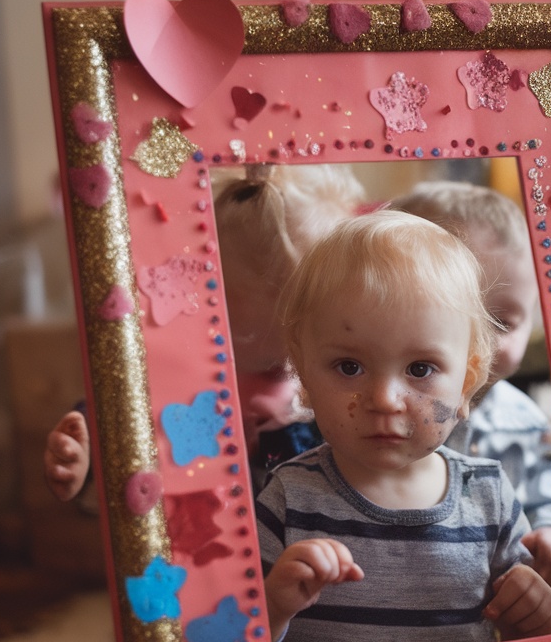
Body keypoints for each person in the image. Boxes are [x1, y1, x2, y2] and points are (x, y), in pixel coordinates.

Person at [256, 210, 551, 642]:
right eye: (349, 367)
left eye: (420, 369)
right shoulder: (288, 496)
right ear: (303, 375)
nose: (384, 400)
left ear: (466, 383)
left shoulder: (489, 496)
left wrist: (538, 620)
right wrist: (273, 606)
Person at [44, 163, 364, 500]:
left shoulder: (327, 387)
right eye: (309, 300)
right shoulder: (181, 373)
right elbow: (124, 415)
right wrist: (84, 455)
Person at [391, 180, 551, 600]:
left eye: (504, 322)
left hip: (495, 606)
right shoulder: (379, 409)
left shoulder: (523, 418)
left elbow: (543, 493)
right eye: (457, 314)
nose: (481, 345)